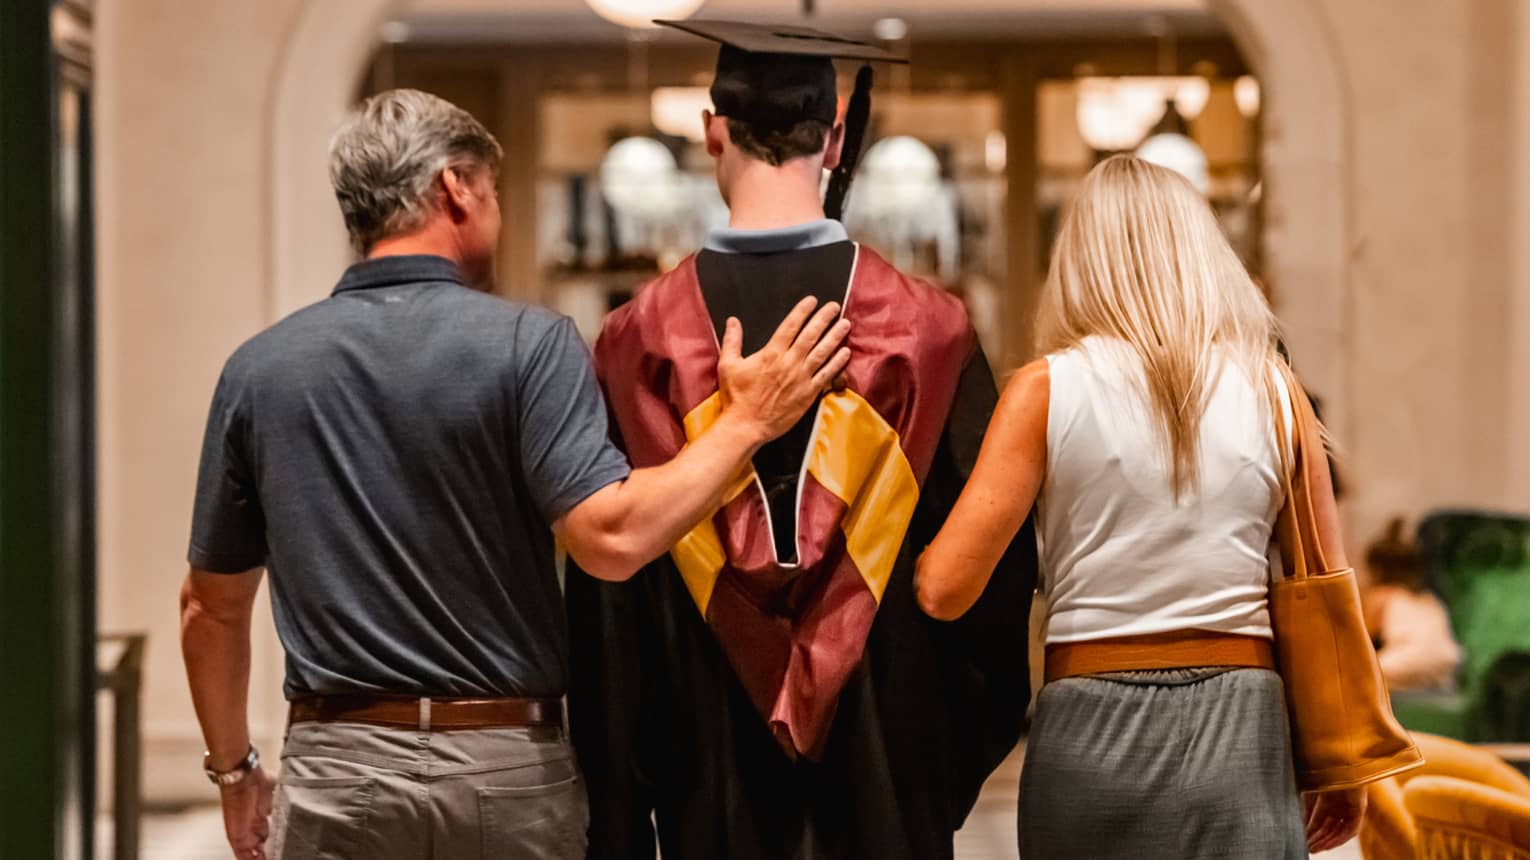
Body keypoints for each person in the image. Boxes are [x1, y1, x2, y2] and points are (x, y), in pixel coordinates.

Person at [179, 88, 849, 860]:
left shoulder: (261, 370)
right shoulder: (529, 345)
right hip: (501, 768)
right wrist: (746, 424)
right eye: (493, 191)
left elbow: (209, 609)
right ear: (456, 188)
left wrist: (234, 773)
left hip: (337, 772)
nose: (497, 213)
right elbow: (611, 538)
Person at [564, 20, 1037, 860]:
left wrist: (627, 803)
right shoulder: (927, 334)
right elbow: (997, 584)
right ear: (838, 135)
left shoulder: (640, 343)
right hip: (888, 770)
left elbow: (610, 610)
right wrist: (933, 769)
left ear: (712, 130)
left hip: (706, 774)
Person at [914, 154, 1366, 858]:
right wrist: (1344, 759)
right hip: (1242, 731)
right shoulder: (1275, 391)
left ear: (1078, 263)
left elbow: (945, 591)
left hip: (1089, 731)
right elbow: (1327, 583)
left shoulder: (1045, 391)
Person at [1362, 517, 1462, 692]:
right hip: (1446, 663)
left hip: (1406, 660)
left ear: (1376, 569)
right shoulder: (1428, 598)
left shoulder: (1382, 595)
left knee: (1356, 674)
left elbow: (1363, 638)